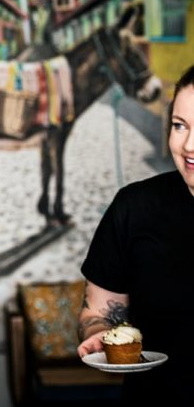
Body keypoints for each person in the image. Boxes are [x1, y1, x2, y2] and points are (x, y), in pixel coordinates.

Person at [77, 65, 194, 402]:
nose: (189, 145)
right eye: (180, 126)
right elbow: (98, 310)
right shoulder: (134, 207)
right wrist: (99, 333)